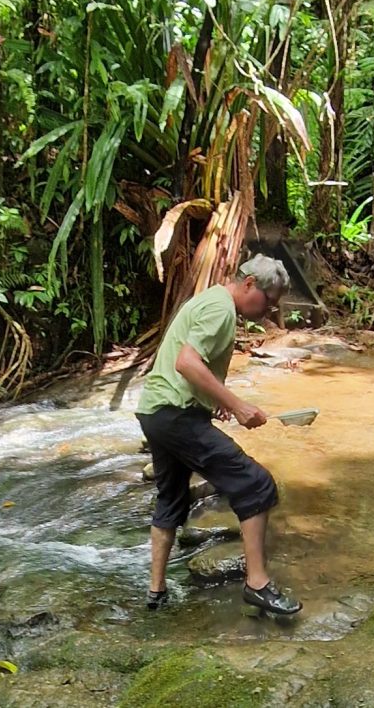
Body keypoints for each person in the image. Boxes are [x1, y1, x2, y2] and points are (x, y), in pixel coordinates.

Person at [135, 254, 302, 615]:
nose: (268, 311)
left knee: (171, 498)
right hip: (176, 415)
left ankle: (156, 593)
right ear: (249, 285)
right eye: (268, 302)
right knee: (256, 484)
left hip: (156, 412)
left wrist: (212, 400)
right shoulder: (222, 309)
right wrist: (238, 405)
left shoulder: (209, 299)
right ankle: (257, 584)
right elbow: (187, 362)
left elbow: (185, 366)